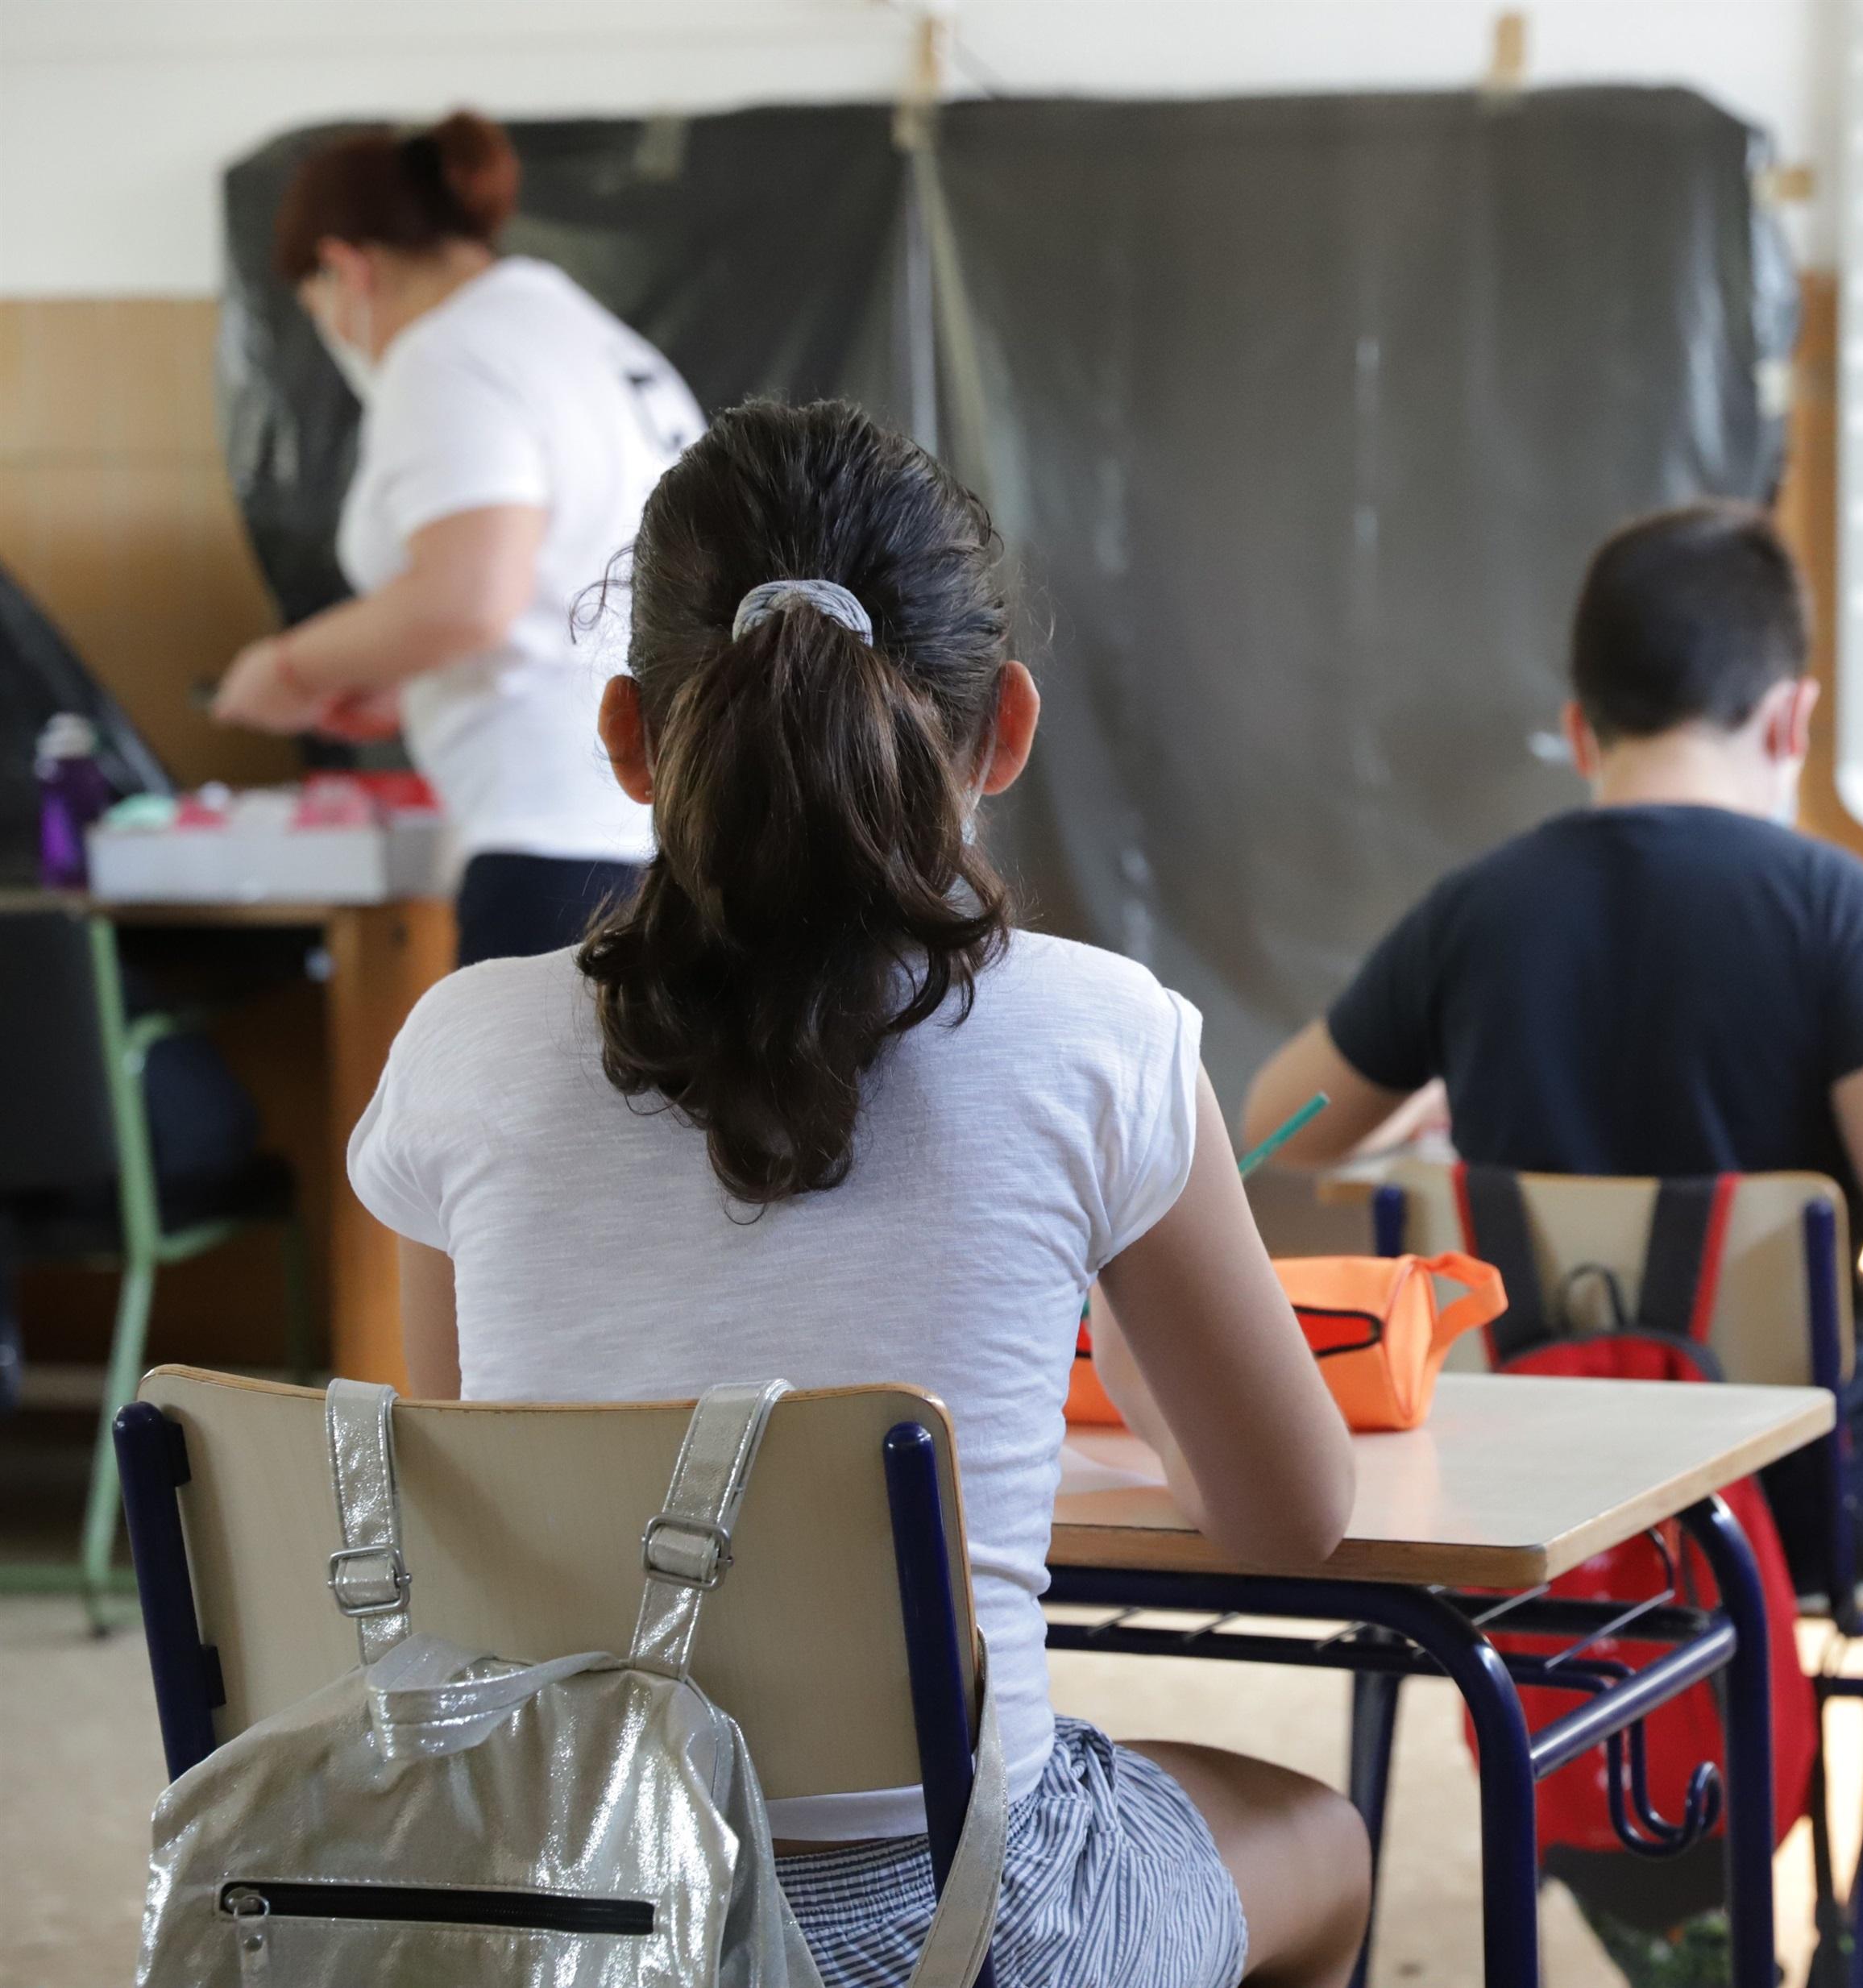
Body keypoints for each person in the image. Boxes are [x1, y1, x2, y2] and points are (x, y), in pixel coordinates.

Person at [345, 401, 1371, 1988]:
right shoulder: (1101, 1039)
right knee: (1320, 1833)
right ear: (1006, 726)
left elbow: (484, 1492)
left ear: (625, 735)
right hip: (961, 1939)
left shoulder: (458, 1048)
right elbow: (1290, 1514)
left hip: (563, 1926)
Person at [1242, 503, 1863, 1988]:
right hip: (1803, 1484)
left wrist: (1417, 1104)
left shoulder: (1472, 912)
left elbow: (1271, 1131)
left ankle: (1666, 1902)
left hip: (1533, 1489)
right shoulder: (1824, 900)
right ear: (1794, 713)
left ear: (1577, 723)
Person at [215, 110, 703, 967]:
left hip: (551, 839)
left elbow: (470, 596)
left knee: (527, 1100)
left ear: (345, 267)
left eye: (317, 303)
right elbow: (559, 593)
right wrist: (408, 677)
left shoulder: (446, 355)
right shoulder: (586, 340)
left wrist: (288, 667)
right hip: (661, 820)